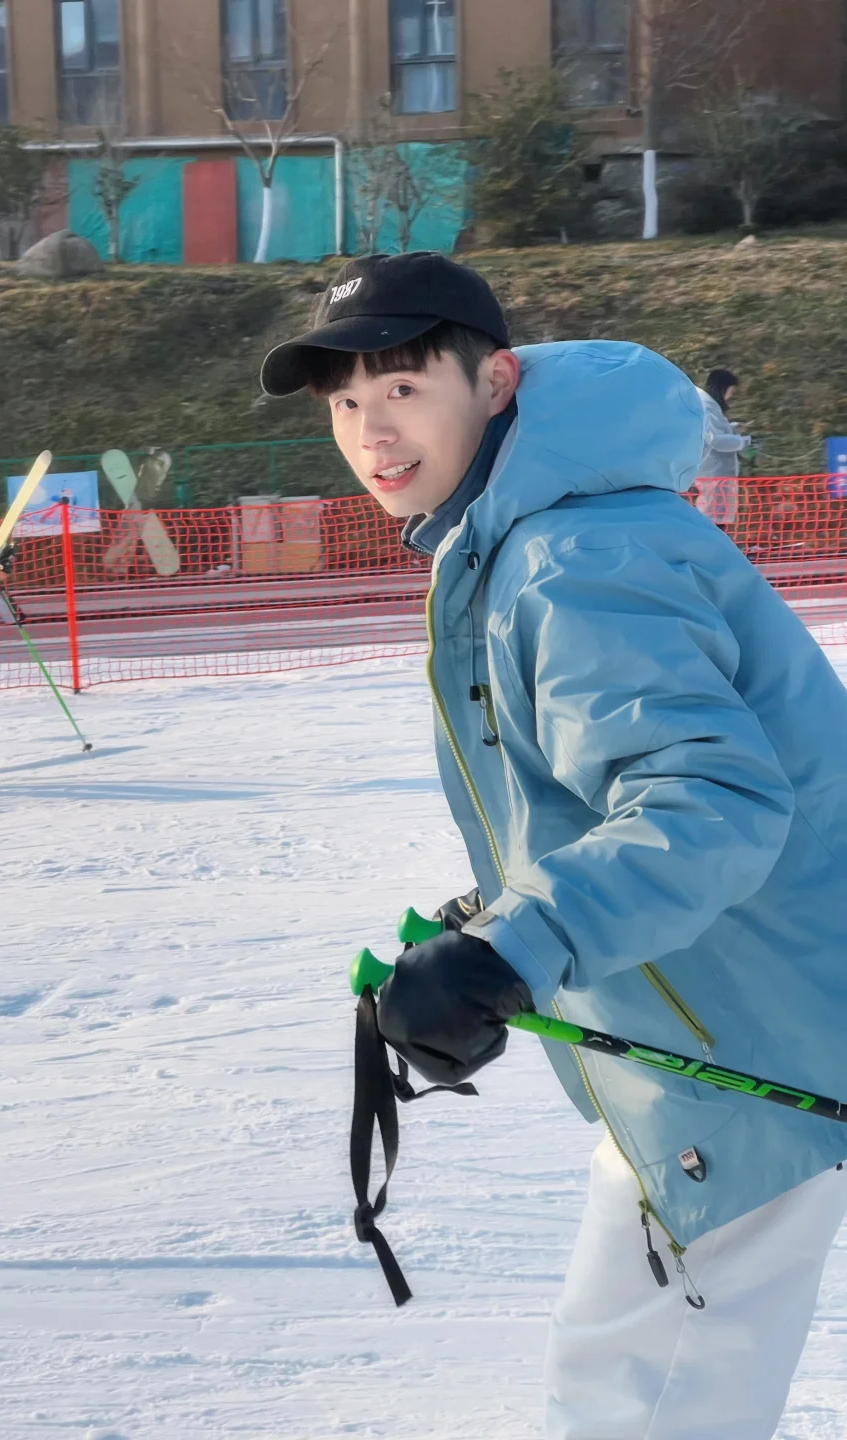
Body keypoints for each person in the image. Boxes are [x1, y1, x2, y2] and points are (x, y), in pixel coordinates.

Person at [261, 252, 847, 1440]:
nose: (374, 432)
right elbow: (610, 792)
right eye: (345, 403)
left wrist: (522, 946)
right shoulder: (530, 537)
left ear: (497, 380)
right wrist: (497, 921)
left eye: (406, 389)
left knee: (647, 1397)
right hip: (716, 1008)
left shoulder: (570, 559)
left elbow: (711, 804)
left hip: (751, 1028)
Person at [695, 367, 751, 529]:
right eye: (730, 393)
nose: (730, 398)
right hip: (713, 476)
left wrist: (732, 428)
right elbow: (716, 440)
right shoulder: (706, 406)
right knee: (712, 523)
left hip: (718, 478)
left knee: (718, 520)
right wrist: (744, 441)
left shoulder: (710, 406)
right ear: (722, 388)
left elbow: (715, 431)